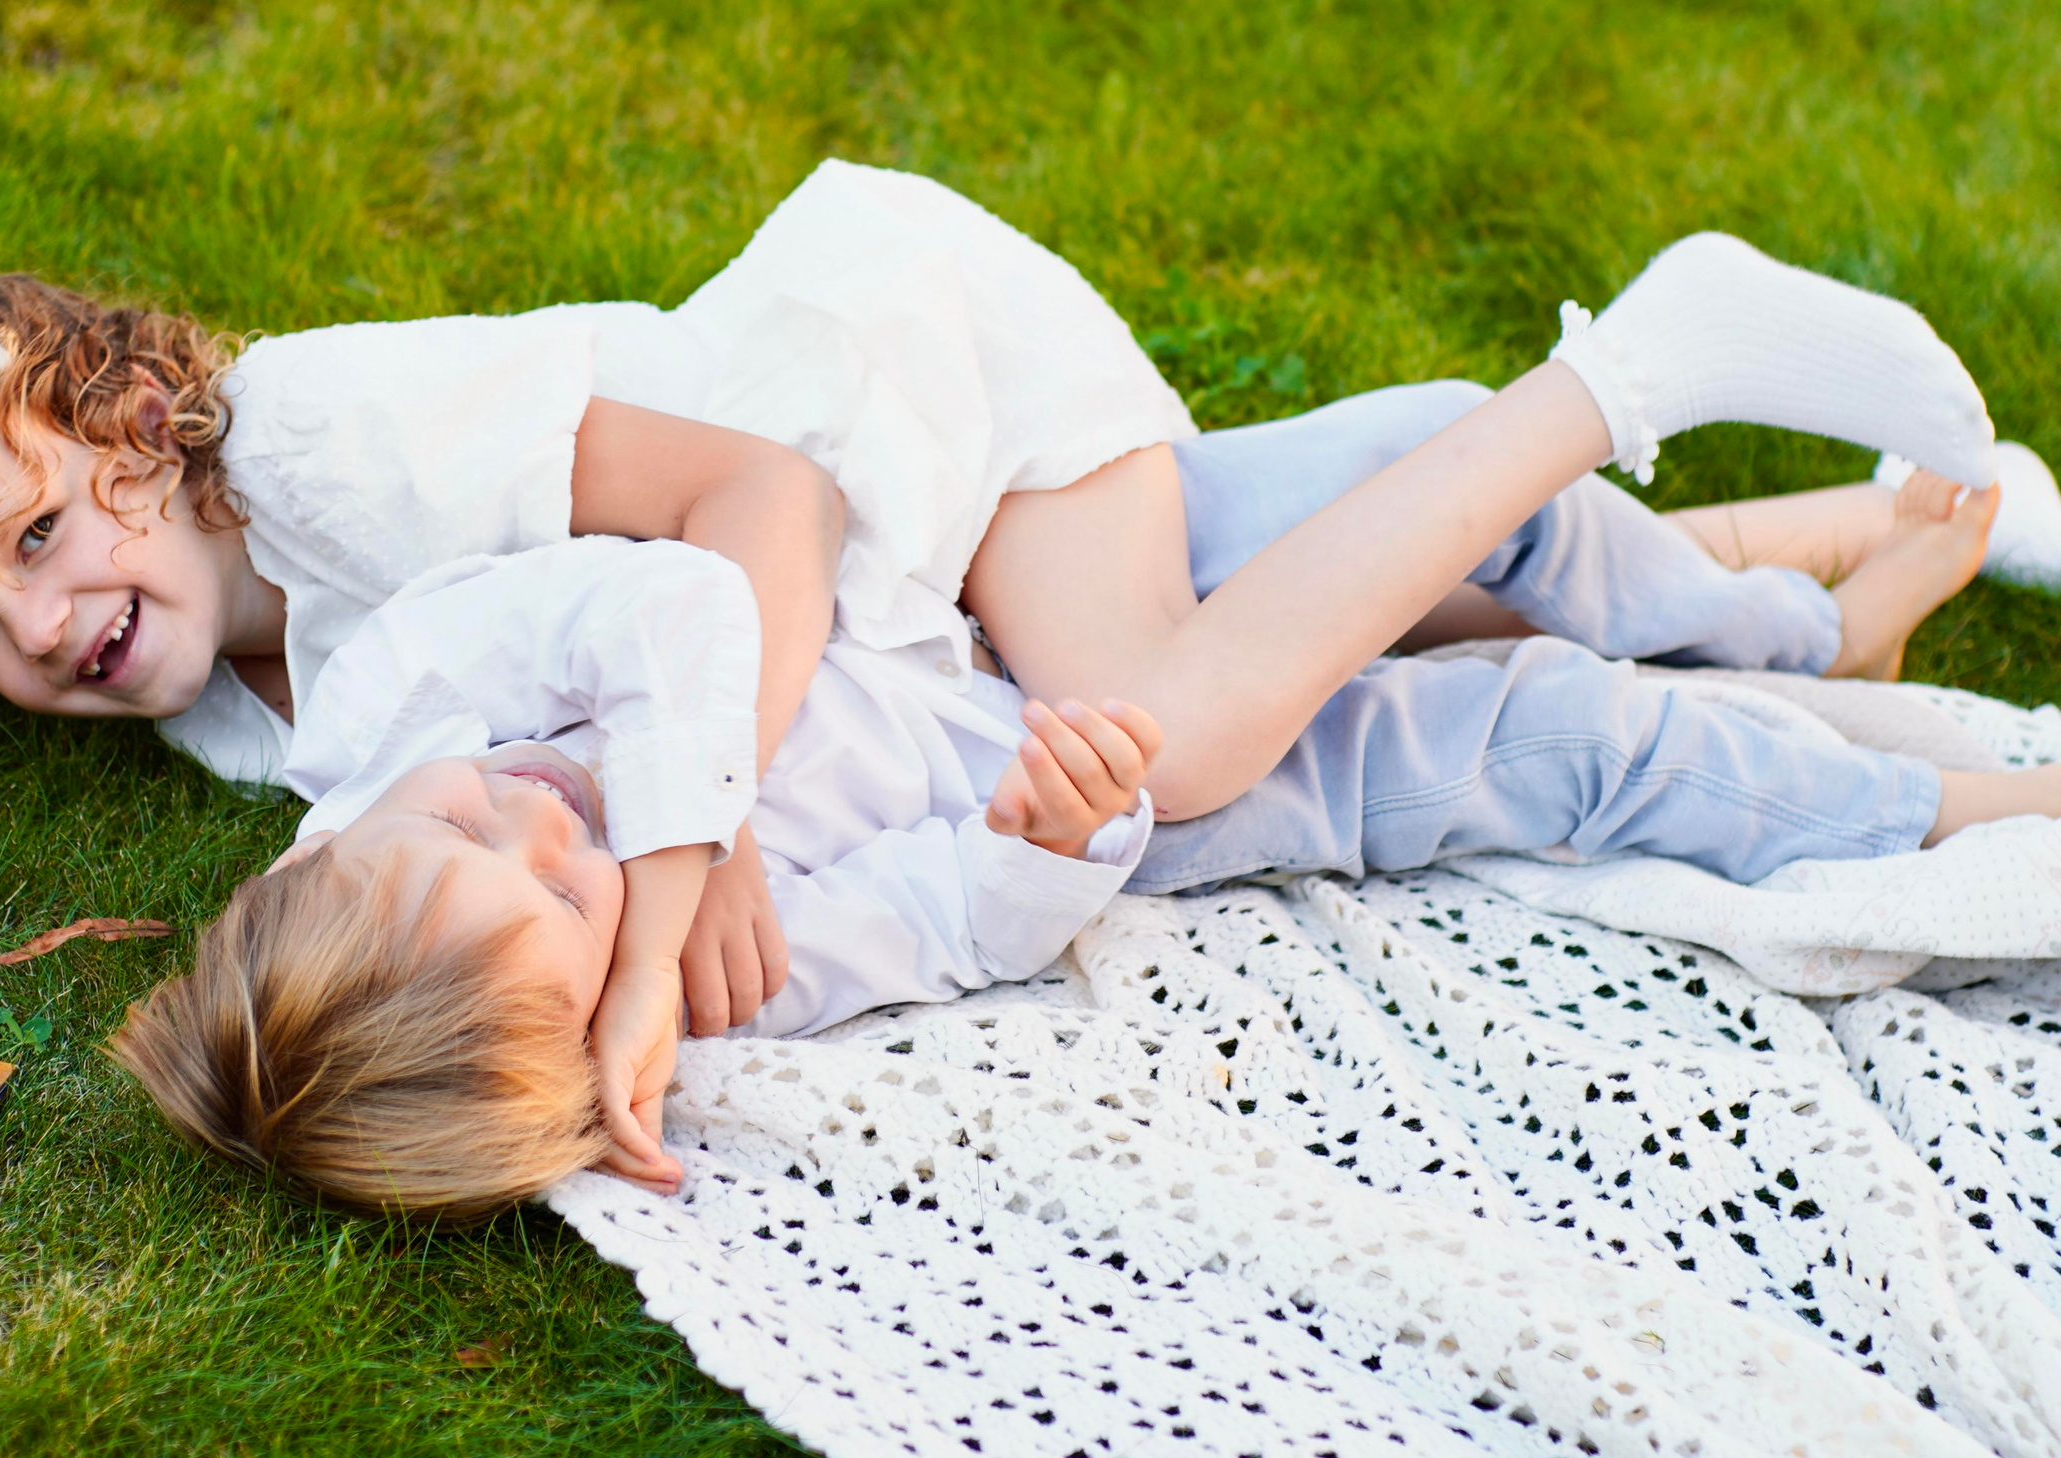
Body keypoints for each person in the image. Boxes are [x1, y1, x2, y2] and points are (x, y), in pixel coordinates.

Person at [0, 162, 2039, 1047]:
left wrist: (699, 838)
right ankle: (1844, 569)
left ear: (144, 427)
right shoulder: (254, 735)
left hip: (898, 431)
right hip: (916, 621)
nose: (35, 623)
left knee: (1187, 713)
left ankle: (1634, 359)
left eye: (40, 532)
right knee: (1381, 554)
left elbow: (751, 501)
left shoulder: (336, 447)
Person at [104, 483, 2061, 1221]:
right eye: (560, 907)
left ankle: (1800, 583)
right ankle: (1967, 809)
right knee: (1547, 733)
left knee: (1447, 506)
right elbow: (936, 918)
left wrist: (641, 826)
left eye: (475, 829)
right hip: (1171, 770)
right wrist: (1056, 835)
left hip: (1054, 595)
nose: (544, 830)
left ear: (330, 847)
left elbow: (651, 596)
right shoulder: (712, 983)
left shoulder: (401, 720)